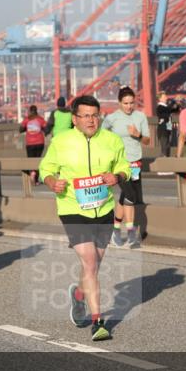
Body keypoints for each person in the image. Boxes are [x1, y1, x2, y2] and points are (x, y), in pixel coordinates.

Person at [39, 95, 130, 342]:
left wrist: (118, 177)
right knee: (90, 262)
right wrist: (52, 182)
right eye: (86, 116)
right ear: (75, 119)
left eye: (95, 115)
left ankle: (79, 295)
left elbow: (125, 167)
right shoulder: (61, 141)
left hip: (103, 209)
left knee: (94, 264)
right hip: (72, 208)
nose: (91, 120)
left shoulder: (111, 140)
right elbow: (45, 168)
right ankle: (98, 322)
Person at [102, 86, 151, 248]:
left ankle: (115, 231)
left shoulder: (140, 117)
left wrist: (138, 135)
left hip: (135, 164)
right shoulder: (112, 118)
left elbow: (147, 141)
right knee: (130, 195)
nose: (129, 106)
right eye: (125, 103)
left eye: (131, 103)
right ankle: (130, 233)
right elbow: (101, 135)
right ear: (119, 103)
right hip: (119, 165)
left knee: (126, 197)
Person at [19, 105, 47, 184]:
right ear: (36, 110)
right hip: (40, 142)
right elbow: (46, 128)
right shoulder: (40, 119)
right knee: (37, 160)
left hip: (30, 143)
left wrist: (26, 128)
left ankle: (32, 173)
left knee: (30, 160)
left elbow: (20, 129)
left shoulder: (27, 120)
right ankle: (36, 177)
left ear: (30, 111)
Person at [156, 91, 173, 158]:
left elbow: (172, 110)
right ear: (160, 99)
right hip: (163, 129)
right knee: (164, 146)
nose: (166, 98)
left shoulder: (166, 107)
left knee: (167, 145)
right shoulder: (160, 107)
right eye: (164, 97)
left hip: (167, 129)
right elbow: (164, 115)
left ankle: (165, 159)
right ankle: (163, 160)